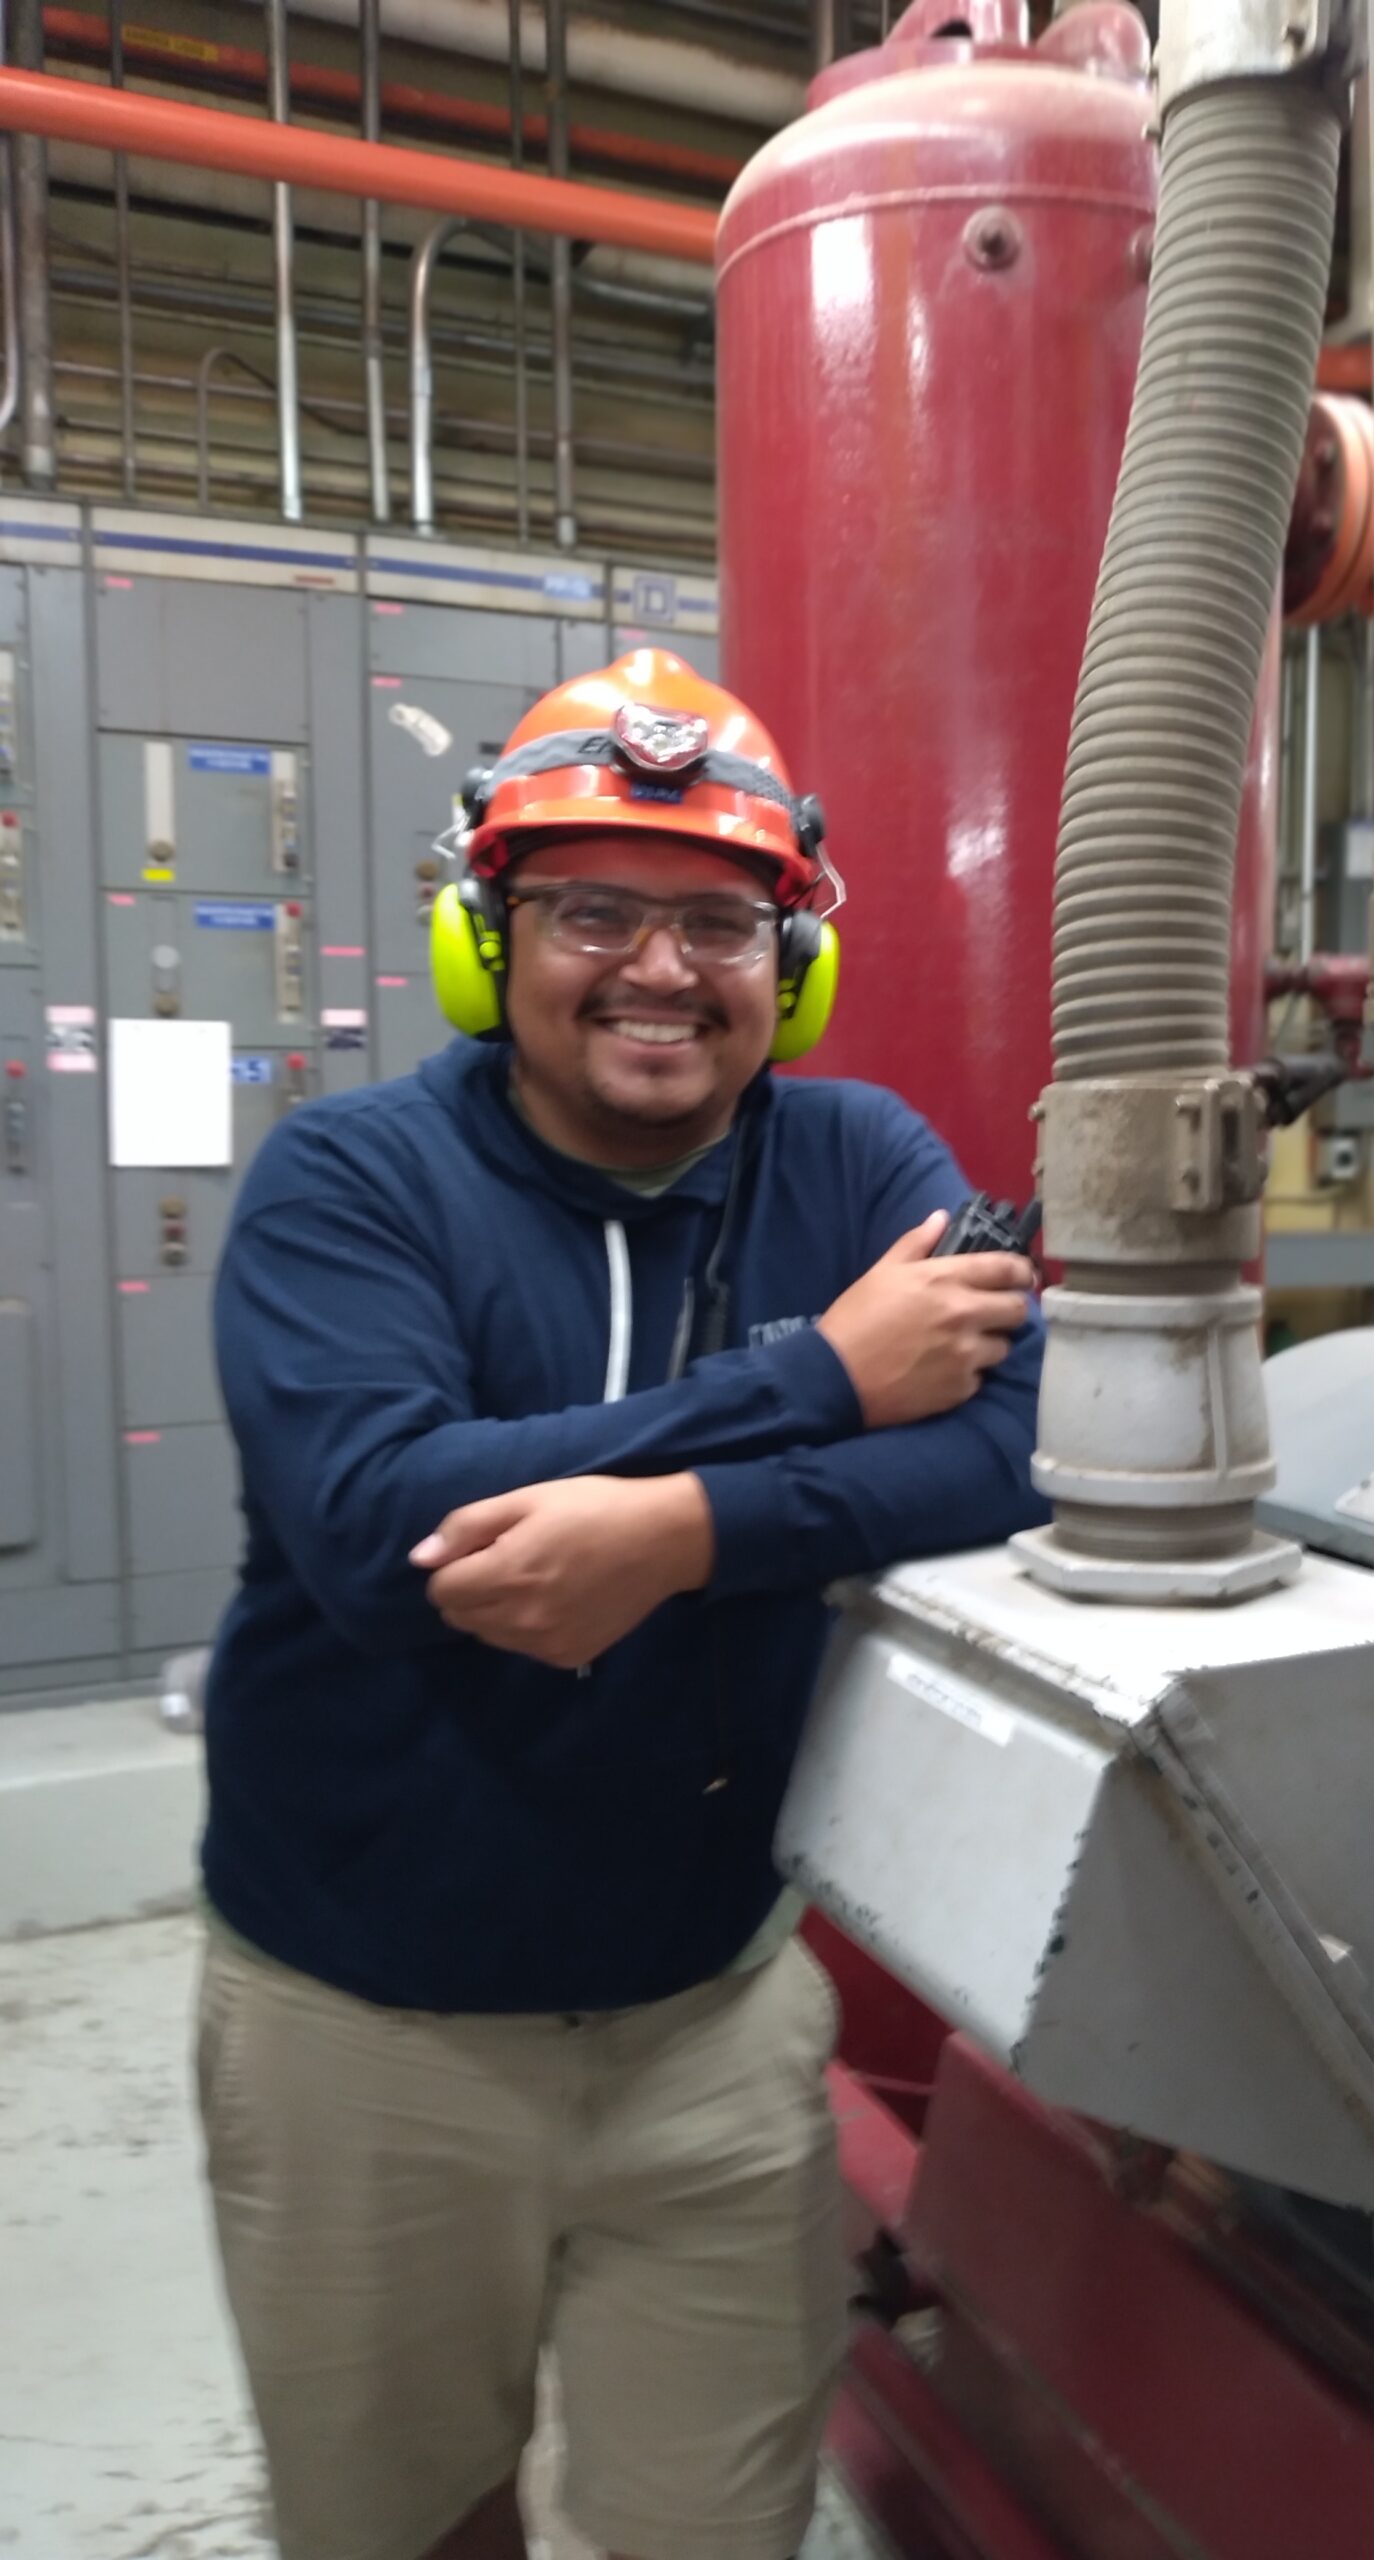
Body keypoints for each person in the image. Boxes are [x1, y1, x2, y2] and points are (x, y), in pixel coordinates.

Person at [196, 650, 1046, 2560]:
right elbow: (386, 1529)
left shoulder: (861, 1161)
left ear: (789, 965)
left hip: (712, 2021)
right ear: (487, 938)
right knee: (406, 2525)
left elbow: (1016, 1449)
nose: (661, 970)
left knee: (714, 2527)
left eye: (720, 925)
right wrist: (819, 1380)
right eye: (594, 911)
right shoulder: (352, 1181)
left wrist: (669, 1534)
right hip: (369, 2038)